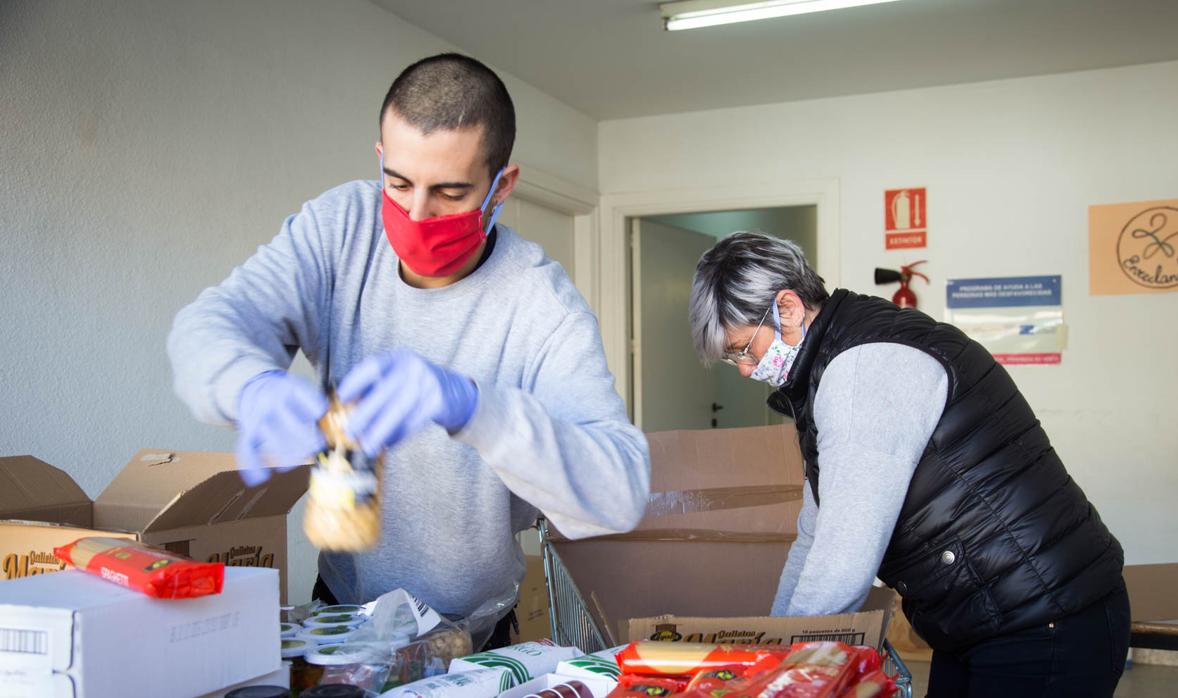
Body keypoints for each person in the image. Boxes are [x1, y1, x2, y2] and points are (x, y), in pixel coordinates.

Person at [168, 53, 649, 649]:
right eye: (399, 184)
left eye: (449, 192)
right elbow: (205, 327)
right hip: (341, 615)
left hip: (475, 638)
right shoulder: (340, 229)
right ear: (380, 160)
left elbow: (620, 491)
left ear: (503, 186)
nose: (416, 215)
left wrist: (474, 408)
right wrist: (250, 387)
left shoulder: (539, 303)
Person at [688, 232, 1128, 697]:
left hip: (1043, 617)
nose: (743, 368)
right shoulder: (834, 362)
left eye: (744, 349)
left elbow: (845, 556)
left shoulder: (864, 369)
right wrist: (777, 651)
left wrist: (787, 675)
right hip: (988, 616)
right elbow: (816, 532)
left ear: (790, 308)